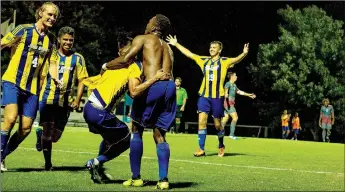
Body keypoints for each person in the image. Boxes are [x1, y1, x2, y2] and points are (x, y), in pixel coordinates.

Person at [83, 33, 169, 184]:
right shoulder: (134, 66)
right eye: (133, 49)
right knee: (126, 139)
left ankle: (98, 168)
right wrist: (154, 78)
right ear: (123, 51)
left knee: (110, 138)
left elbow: (99, 82)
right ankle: (96, 161)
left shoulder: (111, 66)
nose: (136, 52)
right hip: (99, 110)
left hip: (89, 108)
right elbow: (134, 92)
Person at [102, 14, 174, 190]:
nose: (146, 23)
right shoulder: (169, 48)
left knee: (136, 129)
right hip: (170, 87)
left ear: (155, 26)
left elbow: (126, 58)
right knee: (160, 135)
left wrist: (106, 66)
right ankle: (163, 180)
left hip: (154, 86)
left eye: (149, 21)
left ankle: (136, 178)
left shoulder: (143, 39)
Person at [0, 2, 62, 172]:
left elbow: (53, 63)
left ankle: (2, 155)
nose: (52, 18)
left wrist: (55, 78)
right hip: (12, 81)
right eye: (49, 14)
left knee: (26, 128)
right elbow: (3, 43)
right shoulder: (23, 29)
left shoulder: (52, 40)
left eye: (55, 16)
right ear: (40, 13)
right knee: (11, 119)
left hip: (33, 89)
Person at [166, 35, 249, 157]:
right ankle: (201, 149)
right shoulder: (204, 60)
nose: (211, 49)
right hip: (204, 96)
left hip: (217, 97)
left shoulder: (224, 61)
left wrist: (244, 53)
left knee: (217, 124)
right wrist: (176, 44)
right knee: (201, 122)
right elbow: (190, 54)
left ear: (219, 50)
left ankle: (221, 144)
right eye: (210, 47)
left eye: (214, 47)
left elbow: (236, 59)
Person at [35, 26, 89, 170]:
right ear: (59, 39)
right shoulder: (50, 56)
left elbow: (82, 80)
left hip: (65, 102)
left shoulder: (78, 58)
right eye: (65, 39)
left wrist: (77, 99)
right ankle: (48, 164)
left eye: (71, 40)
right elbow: (41, 76)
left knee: (55, 137)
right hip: (47, 98)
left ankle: (39, 134)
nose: (68, 42)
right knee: (48, 130)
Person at [221, 72, 256, 140]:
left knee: (225, 119)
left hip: (229, 104)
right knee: (235, 118)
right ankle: (231, 135)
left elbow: (240, 92)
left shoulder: (234, 85)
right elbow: (225, 92)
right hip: (229, 104)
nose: (236, 76)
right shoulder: (228, 84)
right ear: (231, 77)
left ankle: (219, 133)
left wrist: (249, 95)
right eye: (235, 75)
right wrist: (226, 96)